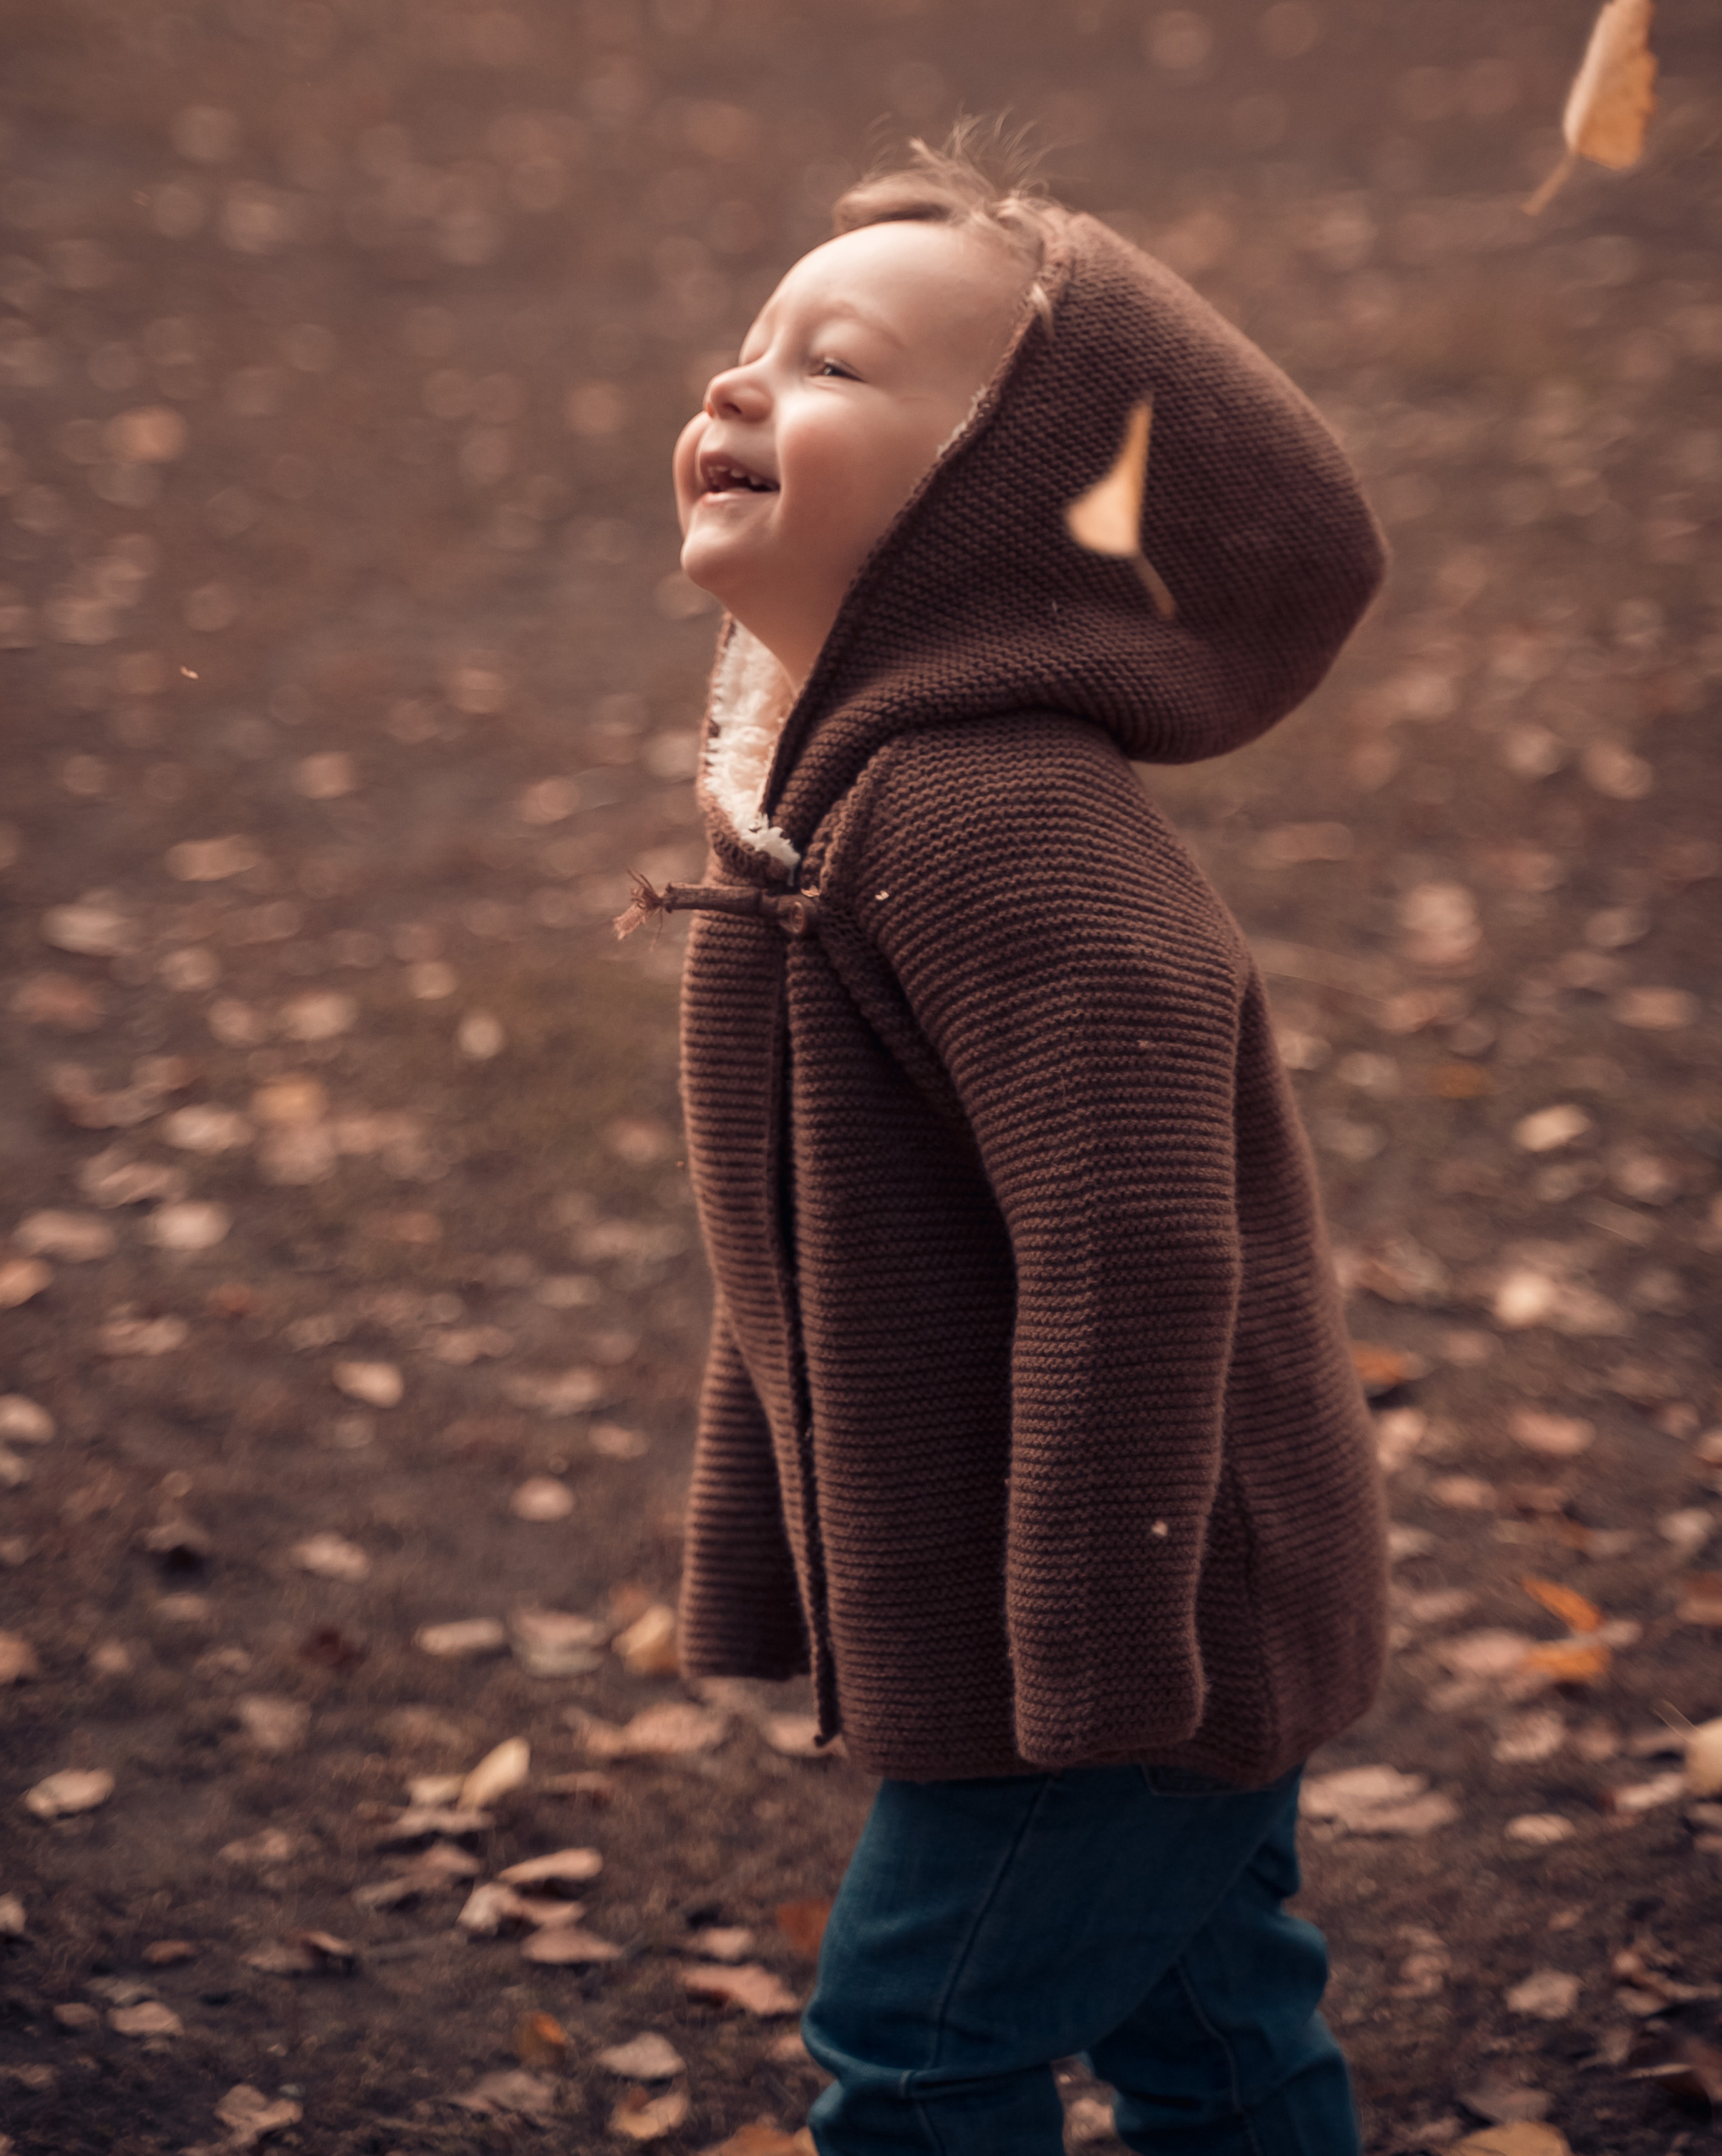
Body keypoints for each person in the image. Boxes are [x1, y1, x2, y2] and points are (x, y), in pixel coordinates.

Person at [620, 127, 1389, 2155]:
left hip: (1129, 1622)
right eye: (750, 342)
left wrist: (1108, 1643)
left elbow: (1141, 1255)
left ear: (1009, 507)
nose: (738, 385)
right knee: (1211, 2038)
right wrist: (771, 1546)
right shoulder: (825, 803)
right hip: (1077, 1603)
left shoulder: (987, 825)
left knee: (919, 2040)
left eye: (839, 364)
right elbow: (798, 1223)